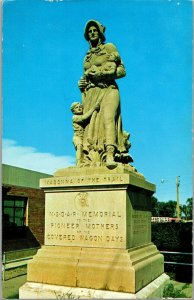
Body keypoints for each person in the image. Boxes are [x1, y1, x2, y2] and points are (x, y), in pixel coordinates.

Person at [78, 19, 132, 168]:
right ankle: (90, 159)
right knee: (92, 127)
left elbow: (122, 71)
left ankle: (110, 155)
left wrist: (102, 74)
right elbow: (85, 78)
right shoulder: (86, 57)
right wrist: (81, 84)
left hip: (109, 89)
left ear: (100, 33)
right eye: (89, 31)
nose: (92, 33)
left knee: (108, 118)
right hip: (92, 93)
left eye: (95, 30)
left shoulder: (109, 48)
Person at [71, 101, 100, 166]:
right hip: (77, 137)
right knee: (79, 146)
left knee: (82, 149)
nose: (79, 108)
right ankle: (78, 163)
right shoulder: (75, 117)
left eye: (80, 107)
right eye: (76, 107)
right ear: (73, 111)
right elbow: (84, 118)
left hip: (82, 137)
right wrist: (93, 108)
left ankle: (82, 161)